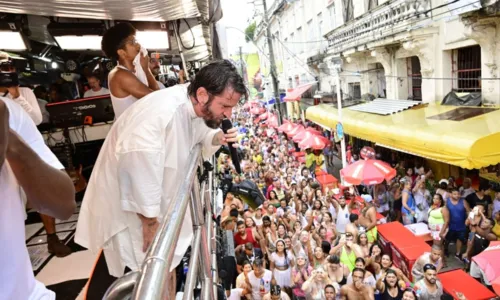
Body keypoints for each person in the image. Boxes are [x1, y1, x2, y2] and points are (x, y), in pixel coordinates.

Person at [75, 60, 246, 298]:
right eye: (225, 106)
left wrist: (218, 139)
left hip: (160, 208)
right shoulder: (162, 112)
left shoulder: (192, 105)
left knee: (166, 265)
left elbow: (199, 135)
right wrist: (150, 221)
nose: (228, 114)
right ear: (203, 94)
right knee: (148, 275)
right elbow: (136, 161)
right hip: (135, 213)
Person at [0, 98, 76, 300]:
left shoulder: (9, 112)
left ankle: (52, 236)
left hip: (27, 293)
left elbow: (63, 206)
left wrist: (12, 143)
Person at [101, 22, 160, 118]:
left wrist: (146, 69)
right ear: (122, 53)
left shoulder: (134, 72)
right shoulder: (119, 75)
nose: (138, 45)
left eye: (136, 40)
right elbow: (156, 99)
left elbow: (157, 91)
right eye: (132, 42)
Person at [0, 52, 42, 125]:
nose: (9, 71)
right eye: (5, 68)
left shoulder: (26, 92)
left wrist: (17, 97)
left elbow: (37, 120)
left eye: (12, 68)